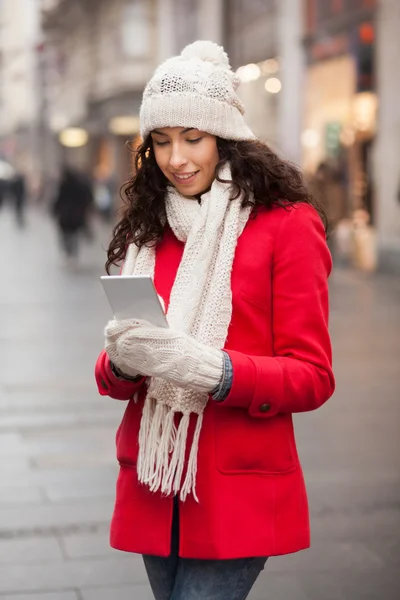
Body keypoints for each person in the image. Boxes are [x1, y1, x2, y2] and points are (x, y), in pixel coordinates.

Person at [95, 41, 335, 600]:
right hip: (154, 485)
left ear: (225, 135)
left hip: (235, 490)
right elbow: (111, 378)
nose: (175, 158)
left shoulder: (288, 226)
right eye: (160, 141)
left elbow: (313, 376)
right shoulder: (149, 230)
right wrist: (122, 362)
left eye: (192, 138)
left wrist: (213, 370)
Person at [51, 166, 93, 262]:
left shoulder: (63, 185)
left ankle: (68, 251)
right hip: (76, 215)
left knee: (65, 234)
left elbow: (58, 199)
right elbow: (86, 199)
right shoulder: (80, 185)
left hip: (65, 215)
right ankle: (73, 252)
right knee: (74, 235)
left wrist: (54, 210)